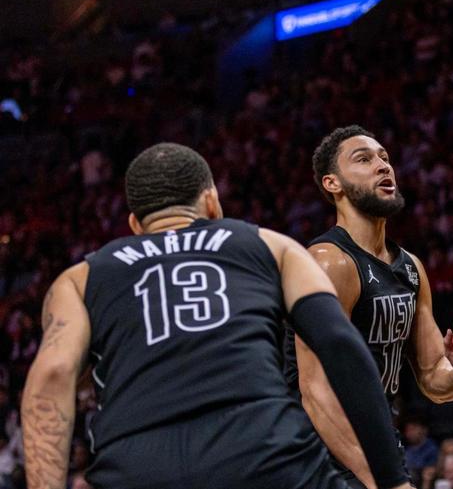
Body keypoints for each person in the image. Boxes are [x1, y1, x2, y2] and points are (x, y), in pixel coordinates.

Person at [20, 143, 410, 489]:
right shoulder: (271, 246)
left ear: (136, 225)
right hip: (263, 457)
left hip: (137, 467)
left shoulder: (79, 279)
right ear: (211, 203)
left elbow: (52, 377)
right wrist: (391, 480)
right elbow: (341, 346)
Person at [287, 126, 453, 489]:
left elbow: (432, 378)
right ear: (332, 184)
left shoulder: (410, 267)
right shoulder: (328, 262)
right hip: (313, 452)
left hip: (375, 446)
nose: (383, 166)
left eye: (384, 158)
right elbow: (317, 392)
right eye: (364, 159)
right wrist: (384, 480)